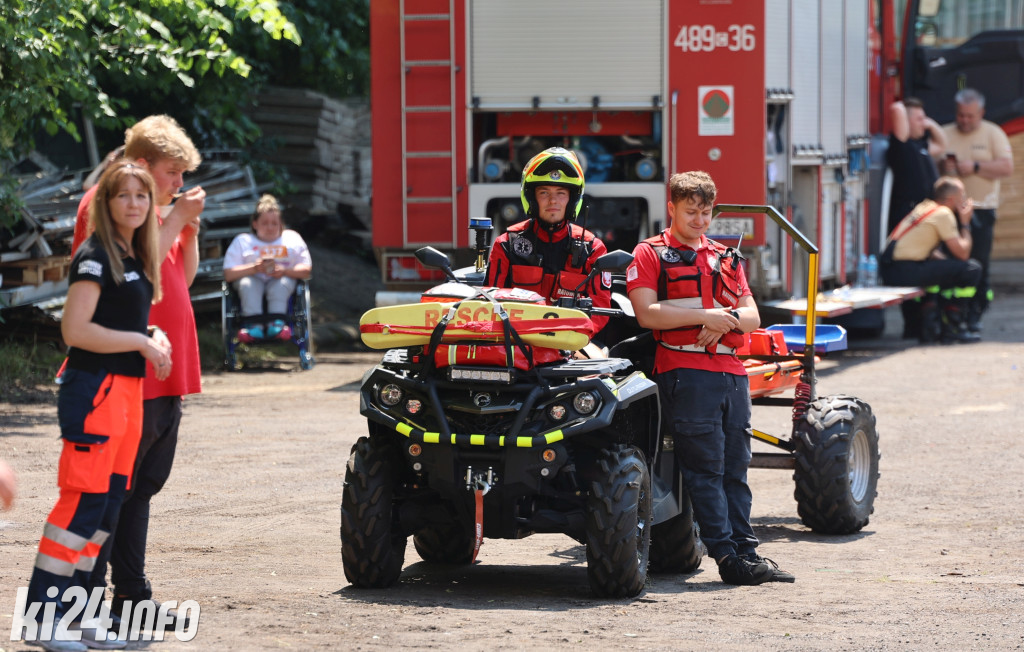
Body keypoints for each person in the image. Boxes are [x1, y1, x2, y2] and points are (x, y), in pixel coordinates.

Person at [24, 161, 172, 651]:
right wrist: (140, 340)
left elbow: (121, 322)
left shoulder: (135, 255)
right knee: (81, 506)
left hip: (126, 395)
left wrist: (153, 336)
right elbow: (76, 330)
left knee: (107, 509)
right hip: (95, 392)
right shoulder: (95, 255)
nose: (133, 203)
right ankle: (43, 618)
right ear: (106, 203)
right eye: (123, 195)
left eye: (141, 196)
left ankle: (79, 612)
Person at [626, 170, 793, 586]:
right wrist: (708, 316)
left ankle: (747, 552)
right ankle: (726, 556)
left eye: (705, 212)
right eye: (690, 212)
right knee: (705, 470)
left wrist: (725, 322)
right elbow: (647, 313)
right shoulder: (649, 254)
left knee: (736, 468)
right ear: (672, 208)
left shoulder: (726, 257)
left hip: (731, 375)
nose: (699, 220)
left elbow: (753, 316)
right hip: (685, 372)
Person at [71, 115, 205, 630]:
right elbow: (135, 271)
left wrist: (186, 231)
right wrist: (174, 218)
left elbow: (178, 279)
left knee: (140, 487)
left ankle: (130, 596)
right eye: (172, 172)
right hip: (126, 373)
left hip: (163, 373)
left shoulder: (151, 211)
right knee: (110, 491)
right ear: (142, 164)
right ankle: (84, 602)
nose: (177, 183)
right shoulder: (108, 206)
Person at [485, 147, 612, 338]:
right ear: (532, 198)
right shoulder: (506, 244)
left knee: (604, 368)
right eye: (544, 192)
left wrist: (567, 341)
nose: (553, 200)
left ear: (572, 199)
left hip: (572, 345)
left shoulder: (593, 248)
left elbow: (600, 311)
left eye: (561, 192)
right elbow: (489, 302)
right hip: (517, 343)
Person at [937, 88, 1013, 336]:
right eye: (961, 115)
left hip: (981, 209)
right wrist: (943, 166)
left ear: (981, 113)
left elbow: (1006, 166)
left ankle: (976, 312)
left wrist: (976, 166)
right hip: (949, 212)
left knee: (979, 265)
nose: (965, 121)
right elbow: (929, 164)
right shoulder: (945, 133)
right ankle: (950, 314)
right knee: (950, 264)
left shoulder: (993, 133)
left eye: (970, 116)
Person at [880, 177, 982, 344]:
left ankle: (930, 325)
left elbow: (925, 247)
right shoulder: (943, 214)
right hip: (906, 270)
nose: (965, 200)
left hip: (893, 268)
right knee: (972, 269)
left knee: (949, 269)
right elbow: (963, 253)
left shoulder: (925, 207)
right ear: (951, 200)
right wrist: (965, 223)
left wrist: (948, 264)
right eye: (962, 196)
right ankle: (953, 328)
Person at [886, 99, 946, 339]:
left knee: (927, 270)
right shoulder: (901, 145)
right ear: (907, 122)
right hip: (908, 217)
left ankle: (924, 324)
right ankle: (911, 325)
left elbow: (942, 144)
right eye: (919, 119)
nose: (924, 123)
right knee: (910, 268)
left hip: (927, 219)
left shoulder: (922, 146)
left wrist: (928, 123)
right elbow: (896, 109)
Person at [222, 194, 312, 341]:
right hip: (251, 279)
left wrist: (284, 271)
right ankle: (253, 326)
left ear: (281, 224)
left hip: (282, 279)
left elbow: (306, 269)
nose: (270, 228)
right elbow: (229, 274)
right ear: (255, 224)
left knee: (281, 284)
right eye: (265, 223)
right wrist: (254, 268)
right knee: (248, 284)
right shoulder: (242, 241)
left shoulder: (292, 239)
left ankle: (276, 324)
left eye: (274, 223)